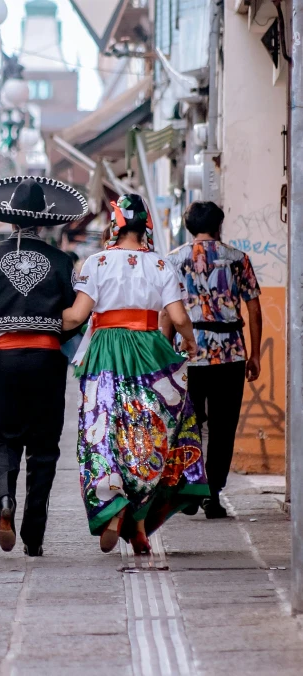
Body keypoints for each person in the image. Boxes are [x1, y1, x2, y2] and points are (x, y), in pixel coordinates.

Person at [62, 194, 208, 554]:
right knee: (149, 434)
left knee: (104, 430)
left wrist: (34, 320)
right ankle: (139, 525)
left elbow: (77, 317)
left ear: (116, 225)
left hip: (106, 351)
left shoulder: (95, 263)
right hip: (148, 350)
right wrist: (189, 343)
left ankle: (112, 510)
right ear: (145, 227)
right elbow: (178, 318)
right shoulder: (160, 265)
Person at [0, 176, 87, 556]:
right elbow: (74, 317)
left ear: (9, 219)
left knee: (6, 439)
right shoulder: (62, 260)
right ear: (44, 221)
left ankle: (4, 501)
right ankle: (34, 533)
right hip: (48, 360)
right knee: (45, 447)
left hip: (6, 360)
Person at [161, 201, 262, 519]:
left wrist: (165, 354)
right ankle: (212, 495)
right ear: (218, 226)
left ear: (189, 227)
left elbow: (167, 311)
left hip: (187, 355)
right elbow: (254, 309)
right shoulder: (237, 259)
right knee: (223, 427)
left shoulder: (174, 260)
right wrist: (254, 353)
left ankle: (191, 488)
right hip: (229, 353)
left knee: (186, 423)